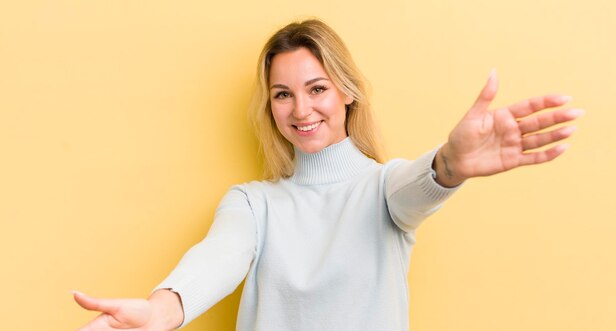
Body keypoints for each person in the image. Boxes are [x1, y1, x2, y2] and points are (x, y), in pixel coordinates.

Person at [72, 19, 583, 330]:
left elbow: (419, 186)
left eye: (317, 88)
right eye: (282, 94)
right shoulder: (253, 203)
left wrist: (450, 163)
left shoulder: (383, 189)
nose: (301, 109)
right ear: (271, 106)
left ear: (346, 92)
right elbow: (219, 258)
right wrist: (163, 311)